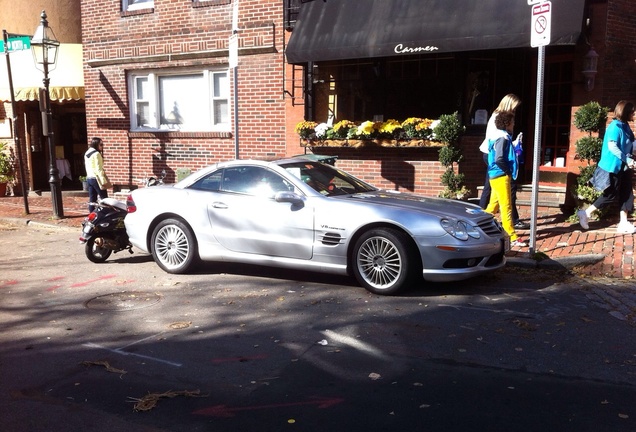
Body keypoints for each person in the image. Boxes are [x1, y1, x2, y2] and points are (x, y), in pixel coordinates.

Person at [577, 100, 636, 234]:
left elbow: (632, 144)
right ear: (625, 112)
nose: (634, 113)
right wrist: (627, 159)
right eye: (632, 111)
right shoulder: (615, 126)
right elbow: (612, 147)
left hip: (624, 166)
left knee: (627, 193)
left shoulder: (625, 126)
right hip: (613, 166)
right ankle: (585, 213)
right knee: (610, 195)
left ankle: (623, 222)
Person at [479, 94, 528, 230]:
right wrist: (507, 170)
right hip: (495, 157)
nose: (515, 111)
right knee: (507, 188)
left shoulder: (498, 116)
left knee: (489, 188)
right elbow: (499, 144)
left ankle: (480, 218)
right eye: (514, 107)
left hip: (491, 155)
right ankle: (511, 224)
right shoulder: (500, 118)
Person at [484, 111, 526, 247]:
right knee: (506, 206)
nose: (514, 124)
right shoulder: (503, 137)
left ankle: (477, 226)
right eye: (513, 122)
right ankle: (512, 236)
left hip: (494, 175)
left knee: (492, 207)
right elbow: (500, 158)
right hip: (501, 176)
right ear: (507, 124)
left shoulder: (498, 136)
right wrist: (507, 171)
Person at [84, 137, 111, 212]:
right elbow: (98, 169)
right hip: (96, 178)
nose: (102, 146)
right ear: (96, 144)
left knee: (92, 200)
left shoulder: (87, 153)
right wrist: (103, 181)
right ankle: (106, 215)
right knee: (105, 199)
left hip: (89, 178)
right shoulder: (96, 154)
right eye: (101, 144)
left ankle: (91, 215)